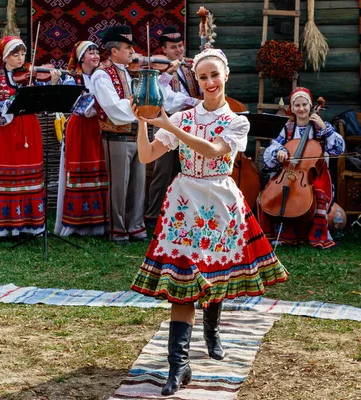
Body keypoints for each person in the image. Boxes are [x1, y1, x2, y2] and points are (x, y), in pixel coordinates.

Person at [130, 48, 288, 396]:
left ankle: (212, 331)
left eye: (214, 75)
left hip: (219, 199)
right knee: (184, 281)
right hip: (185, 203)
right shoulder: (185, 116)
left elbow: (215, 151)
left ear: (225, 75)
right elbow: (146, 155)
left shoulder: (237, 121)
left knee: (213, 274)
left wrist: (168, 123)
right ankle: (178, 365)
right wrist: (142, 120)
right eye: (203, 77)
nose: (210, 82)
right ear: (196, 81)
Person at [0, 36, 62, 237]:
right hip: (5, 131)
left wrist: (52, 83)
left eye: (23, 54)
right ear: (5, 57)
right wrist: (11, 102)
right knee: (7, 177)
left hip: (29, 128)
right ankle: (3, 228)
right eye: (15, 54)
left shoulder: (31, 77)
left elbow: (45, 104)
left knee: (29, 176)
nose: (20, 58)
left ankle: (29, 225)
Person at [259, 87, 345, 249]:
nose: (301, 108)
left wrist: (325, 128)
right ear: (292, 108)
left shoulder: (320, 127)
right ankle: (279, 234)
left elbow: (338, 149)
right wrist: (279, 152)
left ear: (310, 105)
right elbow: (272, 149)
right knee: (269, 192)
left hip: (314, 175)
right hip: (290, 172)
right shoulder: (288, 128)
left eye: (304, 104)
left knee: (318, 195)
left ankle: (317, 236)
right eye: (297, 105)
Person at [90, 25, 146, 245]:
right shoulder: (102, 74)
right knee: (120, 186)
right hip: (116, 136)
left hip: (138, 135)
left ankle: (136, 227)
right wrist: (141, 105)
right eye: (127, 48)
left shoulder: (128, 71)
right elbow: (112, 108)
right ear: (114, 51)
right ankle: (118, 229)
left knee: (138, 185)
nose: (132, 52)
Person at [145, 26, 202, 229]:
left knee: (184, 171)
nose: (178, 50)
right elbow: (166, 99)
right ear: (164, 50)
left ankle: (179, 215)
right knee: (163, 171)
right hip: (166, 126)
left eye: (180, 46)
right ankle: (152, 217)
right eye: (173, 47)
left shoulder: (190, 68)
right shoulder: (160, 70)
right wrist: (193, 102)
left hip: (189, 127)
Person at [54, 41, 109, 236]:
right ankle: (76, 223)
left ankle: (98, 223)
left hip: (98, 127)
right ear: (81, 58)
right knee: (78, 169)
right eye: (90, 53)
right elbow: (77, 106)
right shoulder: (71, 79)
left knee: (99, 169)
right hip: (79, 127)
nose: (95, 56)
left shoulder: (104, 77)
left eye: (96, 52)